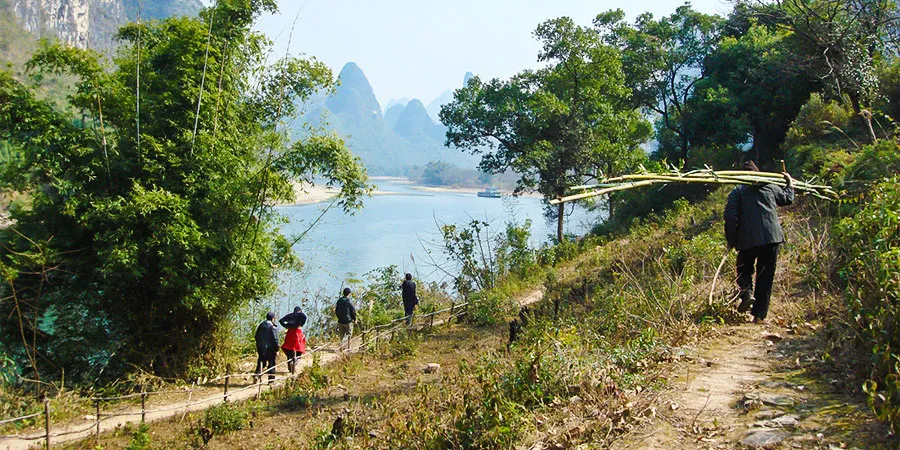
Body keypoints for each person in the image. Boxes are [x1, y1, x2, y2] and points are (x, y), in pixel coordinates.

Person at [724, 160, 794, 324]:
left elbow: (730, 218)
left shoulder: (737, 192)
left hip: (748, 240)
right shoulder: (770, 186)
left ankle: (747, 294)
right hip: (772, 238)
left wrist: (732, 240)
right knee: (765, 276)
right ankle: (759, 316)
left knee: (743, 269)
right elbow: (787, 199)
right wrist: (790, 183)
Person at [279, 306, 307, 374]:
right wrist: (301, 324)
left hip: (289, 333)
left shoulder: (290, 315)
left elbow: (281, 320)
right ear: (300, 311)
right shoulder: (301, 315)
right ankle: (294, 363)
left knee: (289, 350)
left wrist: (286, 326)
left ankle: (290, 367)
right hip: (297, 332)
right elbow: (304, 317)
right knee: (299, 351)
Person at [254, 311, 278, 383]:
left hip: (261, 348)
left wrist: (259, 345)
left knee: (261, 362)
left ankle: (257, 375)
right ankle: (271, 381)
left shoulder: (261, 325)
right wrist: (277, 349)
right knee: (271, 364)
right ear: (273, 318)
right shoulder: (273, 327)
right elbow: (275, 339)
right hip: (270, 349)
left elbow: (256, 336)